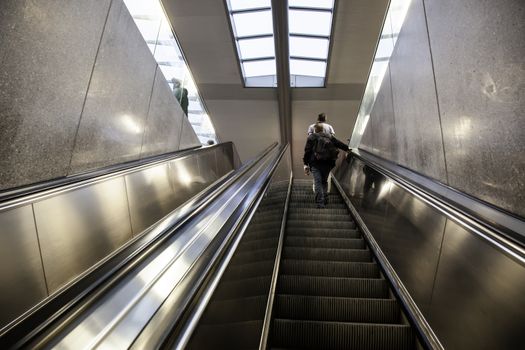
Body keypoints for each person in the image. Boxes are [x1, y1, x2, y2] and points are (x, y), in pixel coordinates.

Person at [304, 123, 350, 208]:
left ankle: (320, 203)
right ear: (323, 130)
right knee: (324, 182)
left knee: (317, 182)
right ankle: (325, 199)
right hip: (328, 164)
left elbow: (307, 151)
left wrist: (305, 164)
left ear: (315, 130)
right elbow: (339, 144)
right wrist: (348, 149)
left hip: (315, 163)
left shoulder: (312, 137)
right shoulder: (329, 136)